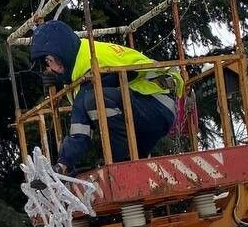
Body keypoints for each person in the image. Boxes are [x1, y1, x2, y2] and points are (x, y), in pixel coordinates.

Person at [29, 20, 184, 175]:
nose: (50, 68)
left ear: (61, 54)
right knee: (95, 101)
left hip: (157, 104)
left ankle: (122, 163)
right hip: (148, 107)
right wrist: (60, 80)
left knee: (96, 100)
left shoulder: (91, 64)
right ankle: (129, 158)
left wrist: (62, 165)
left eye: (49, 60)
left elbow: (80, 124)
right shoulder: (80, 61)